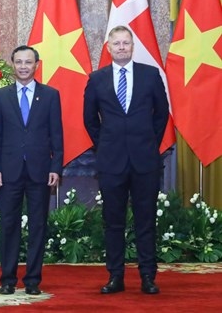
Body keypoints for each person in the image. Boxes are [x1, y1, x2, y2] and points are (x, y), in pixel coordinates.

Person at [83, 25, 169, 295]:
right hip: (111, 163)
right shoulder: (97, 79)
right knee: (113, 222)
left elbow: (161, 115)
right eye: (116, 43)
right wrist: (105, 145)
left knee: (145, 221)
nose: (121, 47)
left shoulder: (150, 75)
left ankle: (147, 277)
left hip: (145, 161)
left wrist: (148, 144)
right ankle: (115, 277)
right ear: (108, 48)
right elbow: (89, 120)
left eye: (126, 43)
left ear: (132, 47)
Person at [0, 45, 63, 296]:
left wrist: (56, 167)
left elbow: (57, 136)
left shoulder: (51, 95)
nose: (23, 66)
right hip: (8, 172)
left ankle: (33, 280)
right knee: (8, 226)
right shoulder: (1, 96)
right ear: (12, 64)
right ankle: (7, 279)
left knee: (38, 226)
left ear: (36, 65)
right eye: (18, 62)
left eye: (28, 62)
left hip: (40, 171)